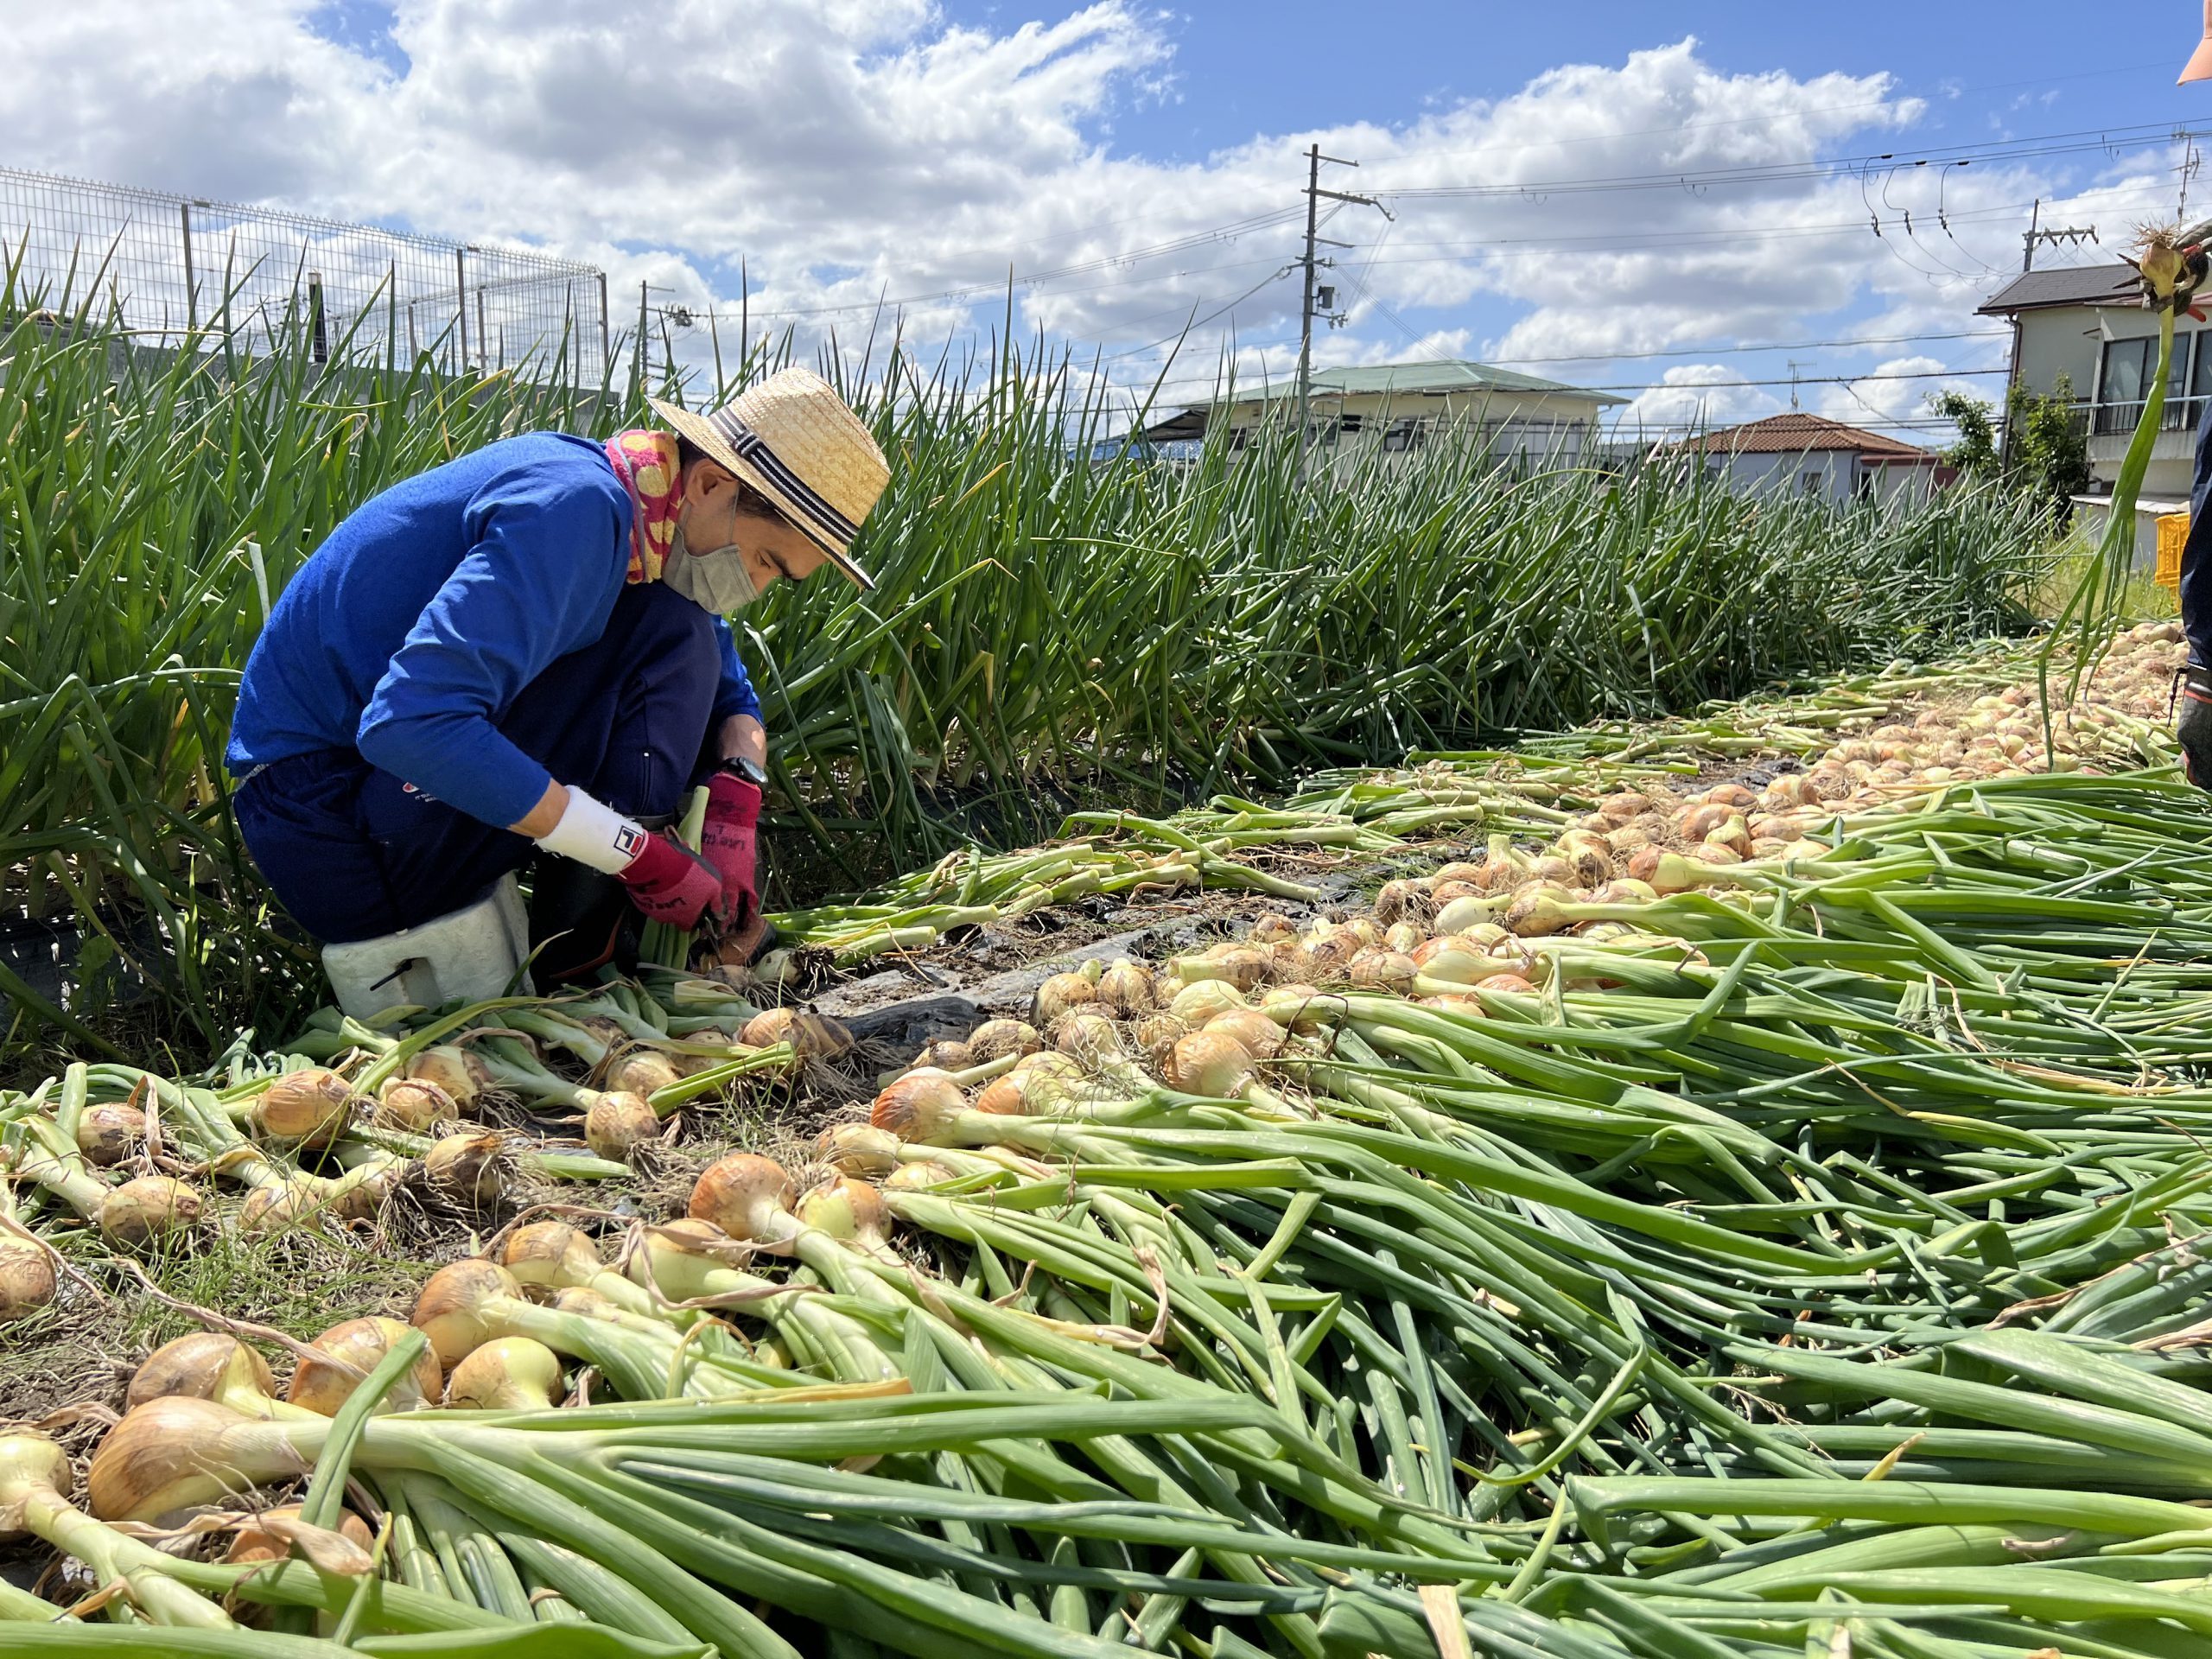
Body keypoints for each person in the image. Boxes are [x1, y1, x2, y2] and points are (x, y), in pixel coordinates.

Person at [224, 366, 888, 994]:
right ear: (712, 483)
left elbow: (730, 696)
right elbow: (412, 724)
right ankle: (588, 957)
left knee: (678, 628)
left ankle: (605, 937)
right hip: (328, 821)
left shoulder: (647, 523)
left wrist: (739, 799)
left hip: (382, 800)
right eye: (768, 561)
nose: (759, 586)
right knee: (672, 634)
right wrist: (633, 853)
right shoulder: (576, 510)